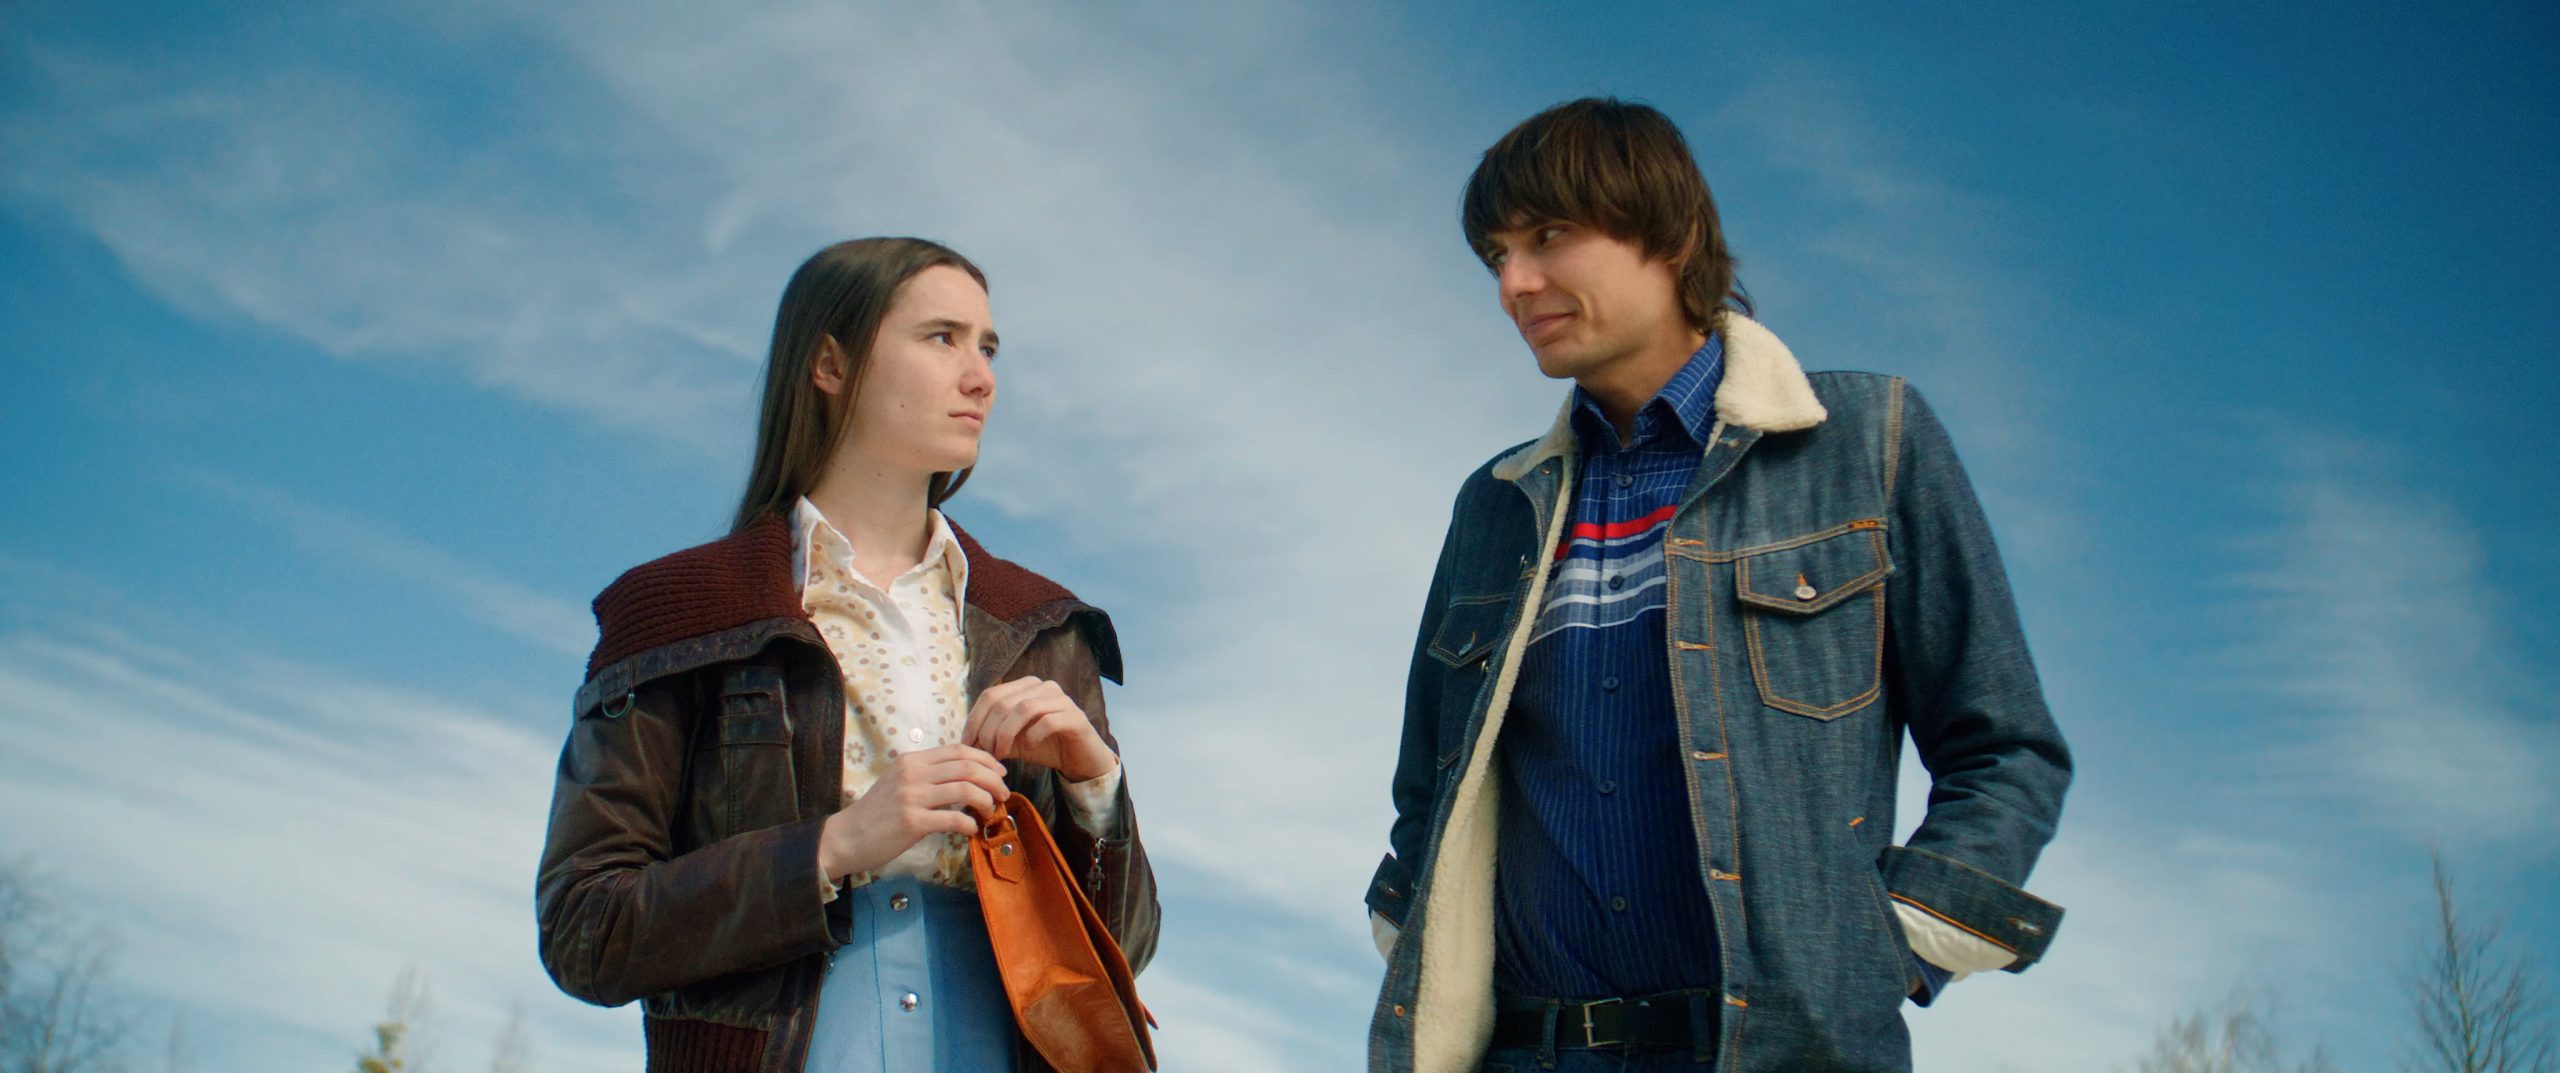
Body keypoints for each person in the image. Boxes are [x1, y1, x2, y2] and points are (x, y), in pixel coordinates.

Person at [1363, 99, 2072, 1073]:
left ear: (1670, 235)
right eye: (1497, 256)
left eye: (1549, 236)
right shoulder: (1495, 504)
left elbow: (2005, 748)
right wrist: (1413, 941)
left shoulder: (1868, 441)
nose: (1514, 283)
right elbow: (1426, 788)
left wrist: (1884, 946)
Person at [537, 237, 1158, 1073]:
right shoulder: (682, 612)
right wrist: (832, 846)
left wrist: (1094, 789)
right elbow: (584, 929)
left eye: (987, 347)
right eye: (942, 338)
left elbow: (1126, 951)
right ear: (830, 364)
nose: (980, 377)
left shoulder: (1041, 627)